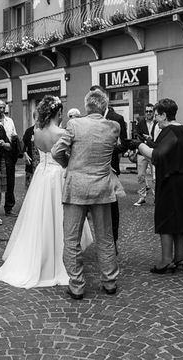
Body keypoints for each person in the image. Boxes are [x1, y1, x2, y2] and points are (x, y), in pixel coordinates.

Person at [0, 96, 93, 288]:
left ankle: (39, 253)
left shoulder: (37, 132)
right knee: (61, 217)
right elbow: (68, 156)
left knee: (39, 217)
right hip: (58, 175)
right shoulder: (62, 133)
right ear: (58, 113)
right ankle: (60, 258)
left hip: (41, 175)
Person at [52, 89, 125, 300]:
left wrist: (70, 165)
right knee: (105, 237)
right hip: (102, 188)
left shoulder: (75, 124)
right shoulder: (114, 126)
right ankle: (110, 282)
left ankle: (77, 285)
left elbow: (57, 151)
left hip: (76, 188)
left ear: (87, 106)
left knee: (72, 238)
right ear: (104, 107)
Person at [132, 98, 183, 273]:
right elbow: (166, 148)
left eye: (156, 115)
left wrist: (139, 145)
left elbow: (158, 156)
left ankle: (165, 260)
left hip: (172, 182)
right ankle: (180, 257)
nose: (155, 119)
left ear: (164, 115)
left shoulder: (170, 131)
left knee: (166, 220)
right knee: (180, 221)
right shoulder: (182, 130)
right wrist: (148, 142)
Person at [89, 85, 128, 251]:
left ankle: (113, 242)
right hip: (91, 170)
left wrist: (108, 148)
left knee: (112, 208)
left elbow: (125, 144)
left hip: (110, 168)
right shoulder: (87, 118)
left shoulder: (116, 118)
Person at [0, 100, 19, 216]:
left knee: (10, 181)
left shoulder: (10, 121)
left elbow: (14, 134)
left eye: (3, 107)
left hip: (8, 152)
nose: (2, 110)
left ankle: (9, 207)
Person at [133, 104, 156, 206]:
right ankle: (142, 197)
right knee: (140, 176)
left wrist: (150, 140)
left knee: (154, 176)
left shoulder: (157, 123)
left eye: (150, 111)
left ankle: (157, 197)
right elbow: (137, 135)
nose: (148, 113)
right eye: (146, 111)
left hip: (153, 152)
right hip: (142, 152)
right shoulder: (140, 123)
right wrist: (144, 141)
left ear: (154, 112)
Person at [21, 111, 40, 189]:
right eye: (36, 117)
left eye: (40, 117)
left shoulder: (45, 130)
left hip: (41, 162)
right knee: (31, 188)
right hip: (31, 162)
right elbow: (23, 144)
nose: (38, 119)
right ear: (34, 118)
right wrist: (25, 154)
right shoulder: (29, 131)